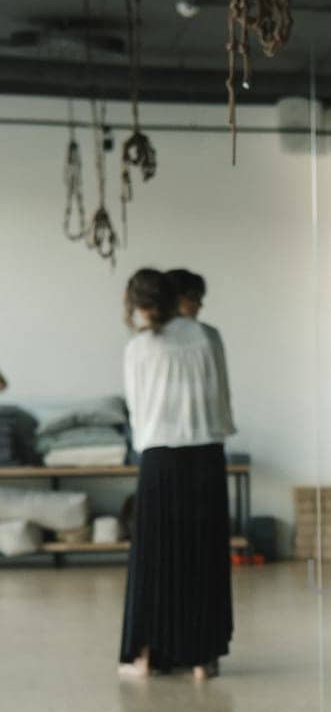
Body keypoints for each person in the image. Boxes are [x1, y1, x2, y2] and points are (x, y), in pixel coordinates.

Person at [118, 268, 235, 681]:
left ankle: (145, 656)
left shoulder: (139, 348)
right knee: (203, 555)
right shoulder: (208, 336)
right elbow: (221, 399)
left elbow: (136, 411)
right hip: (206, 454)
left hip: (159, 458)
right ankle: (203, 659)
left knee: (153, 558)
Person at [166, 268, 235, 440]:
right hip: (203, 438)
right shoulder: (207, 336)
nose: (200, 305)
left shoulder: (208, 336)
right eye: (195, 298)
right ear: (178, 298)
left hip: (198, 436)